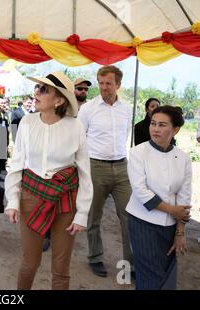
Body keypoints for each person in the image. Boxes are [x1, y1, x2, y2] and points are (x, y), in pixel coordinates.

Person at [4, 71, 93, 290]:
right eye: (37, 88)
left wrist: (82, 214)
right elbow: (17, 165)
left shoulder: (76, 126)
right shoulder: (26, 122)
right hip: (31, 197)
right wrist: (13, 201)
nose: (36, 92)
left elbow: (84, 173)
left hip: (64, 201)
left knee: (61, 268)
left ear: (60, 99)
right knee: (29, 264)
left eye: (44, 90)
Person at [78, 65, 134, 278]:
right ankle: (95, 257)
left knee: (129, 216)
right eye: (100, 83)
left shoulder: (127, 108)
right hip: (96, 166)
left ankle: (130, 264)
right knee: (93, 216)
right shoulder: (88, 109)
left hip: (122, 167)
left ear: (118, 84)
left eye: (108, 83)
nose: (103, 87)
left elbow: (124, 135)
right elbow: (80, 139)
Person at [127, 105, 191, 289]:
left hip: (170, 227)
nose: (155, 129)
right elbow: (141, 192)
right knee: (150, 277)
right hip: (143, 223)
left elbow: (184, 197)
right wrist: (172, 210)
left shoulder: (183, 158)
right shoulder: (138, 152)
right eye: (153, 123)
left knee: (167, 274)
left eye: (162, 125)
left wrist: (180, 232)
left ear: (175, 130)